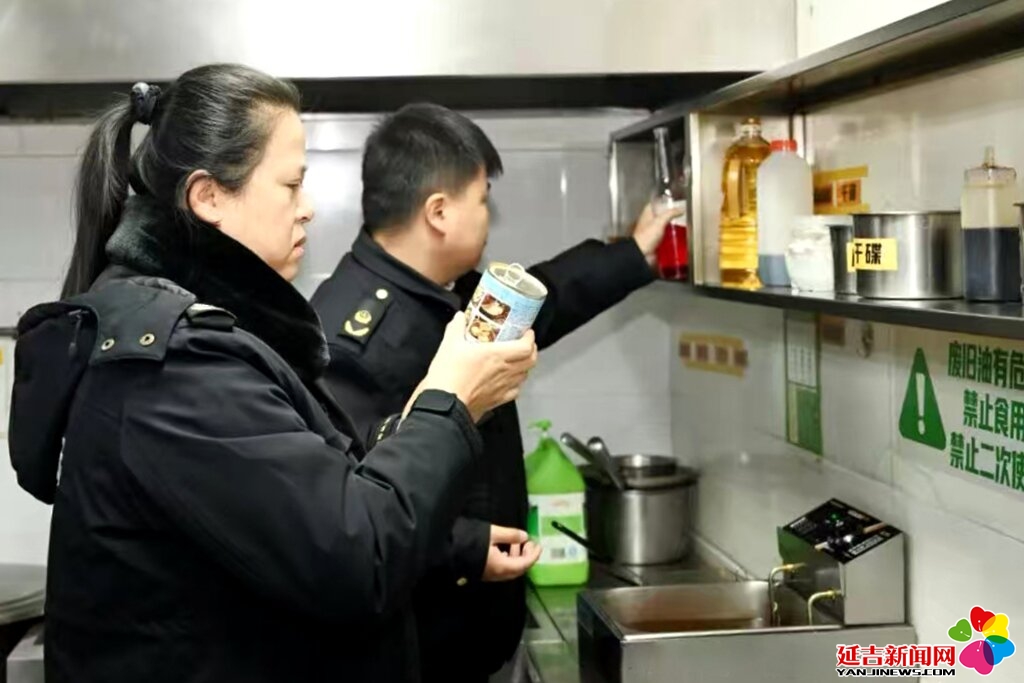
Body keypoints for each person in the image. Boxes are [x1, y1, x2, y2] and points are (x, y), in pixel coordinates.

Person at [7, 66, 539, 683]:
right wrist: (452, 400)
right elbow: (355, 559)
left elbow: (319, 500)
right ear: (208, 197)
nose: (308, 209)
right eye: (291, 185)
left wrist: (428, 417)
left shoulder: (211, 338)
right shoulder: (177, 370)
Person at [310, 102, 684, 682]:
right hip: (425, 649)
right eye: (483, 199)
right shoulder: (352, 338)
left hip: (478, 633)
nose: (489, 216)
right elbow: (343, 512)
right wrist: (464, 547)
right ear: (439, 212)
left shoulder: (438, 290)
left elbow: (545, 299)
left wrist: (632, 253)